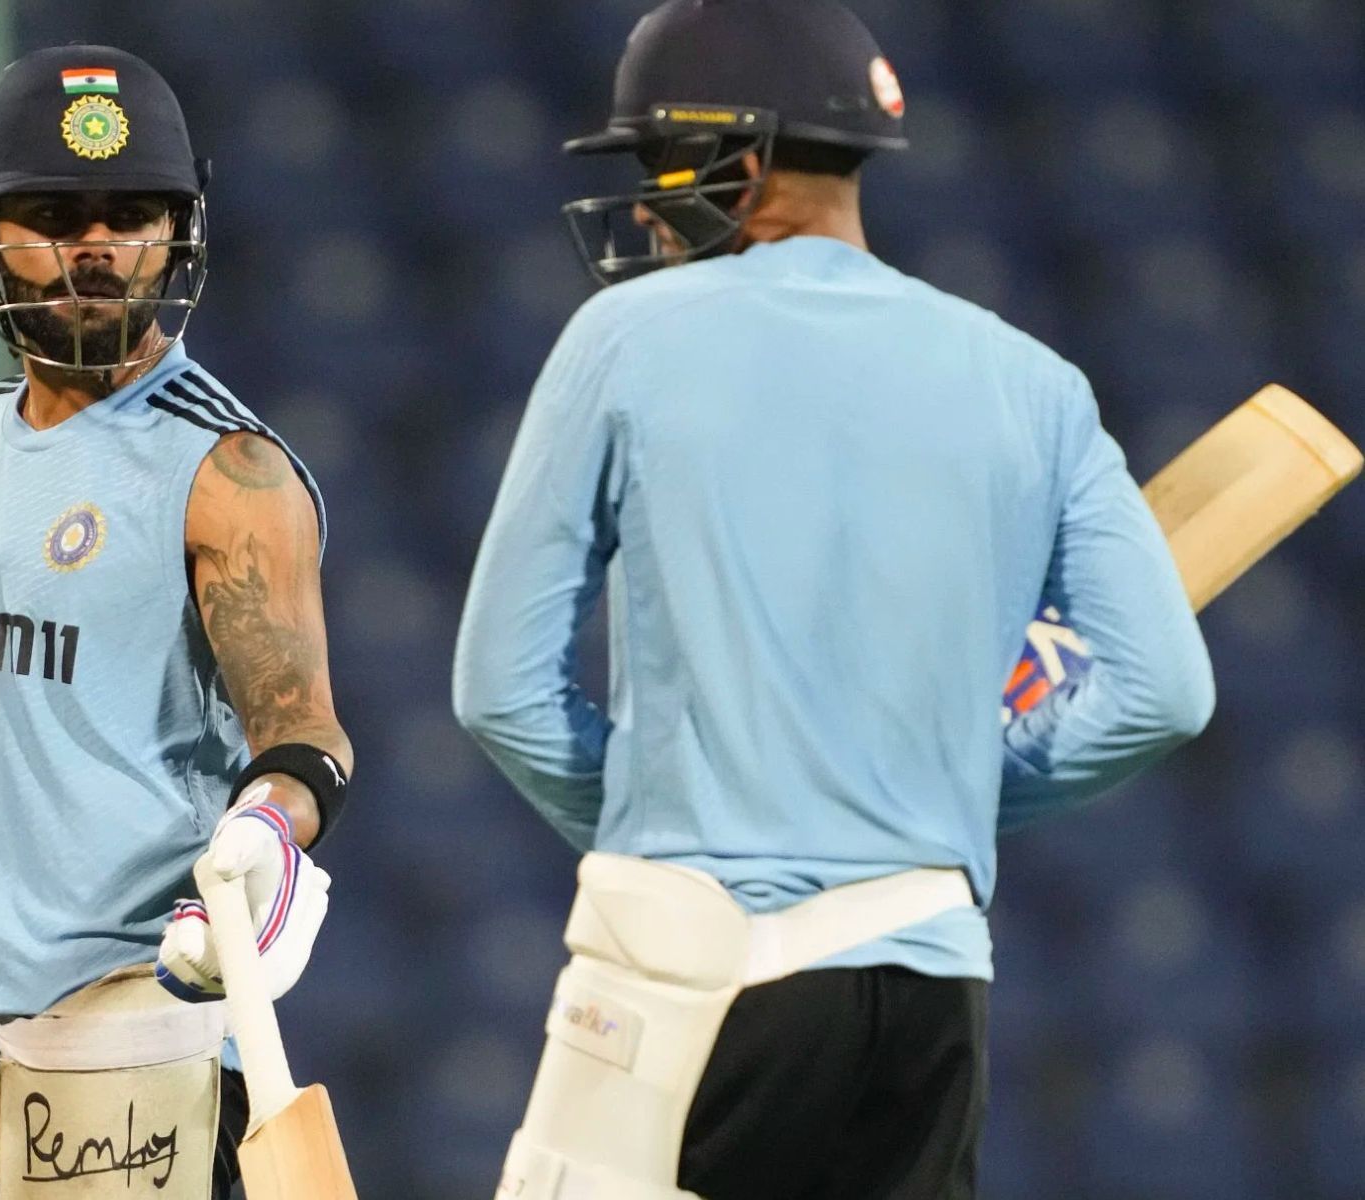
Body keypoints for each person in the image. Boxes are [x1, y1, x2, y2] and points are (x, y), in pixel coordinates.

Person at [452, 2, 1214, 1197]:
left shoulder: (627, 338)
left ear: (737, 155)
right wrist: (938, 803)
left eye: (660, 158)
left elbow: (499, 692)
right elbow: (1163, 693)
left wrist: (668, 824)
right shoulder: (1035, 383)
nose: (648, 202)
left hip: (700, 980)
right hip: (931, 985)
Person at [0, 44, 354, 1200]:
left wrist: (265, 838)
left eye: (132, 213)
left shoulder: (229, 472)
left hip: (133, 1072)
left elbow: (306, 738)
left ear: (180, 227)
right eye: (52, 214)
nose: (97, 247)